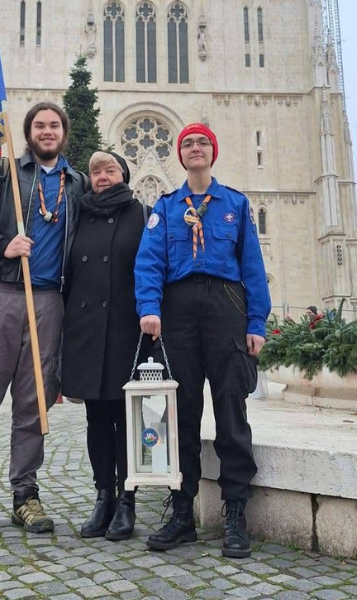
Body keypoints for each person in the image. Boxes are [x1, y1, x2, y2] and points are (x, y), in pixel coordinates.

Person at [134, 123, 271, 555]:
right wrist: (149, 308)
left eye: (201, 143)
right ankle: (181, 513)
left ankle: (235, 512)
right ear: (180, 156)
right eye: (188, 144)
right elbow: (150, 260)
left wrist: (257, 323)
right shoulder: (167, 207)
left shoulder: (235, 204)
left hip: (227, 306)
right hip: (179, 311)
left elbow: (252, 265)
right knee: (181, 412)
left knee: (231, 408)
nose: (195, 149)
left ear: (213, 152)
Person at [0, 102, 85, 537]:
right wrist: (2, 243)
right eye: (39, 126)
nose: (47, 132)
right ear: (28, 132)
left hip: (48, 302)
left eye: (54, 126)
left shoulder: (76, 184)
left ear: (64, 133)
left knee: (34, 403)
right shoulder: (3, 174)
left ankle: (25, 494)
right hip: (0, 295)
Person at [61, 151, 147, 541]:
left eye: (110, 169)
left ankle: (127, 499)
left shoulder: (140, 213)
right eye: (95, 171)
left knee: (125, 418)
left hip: (126, 329)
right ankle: (103, 497)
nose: (102, 176)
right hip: (87, 329)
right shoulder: (78, 214)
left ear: (124, 175)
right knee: (96, 420)